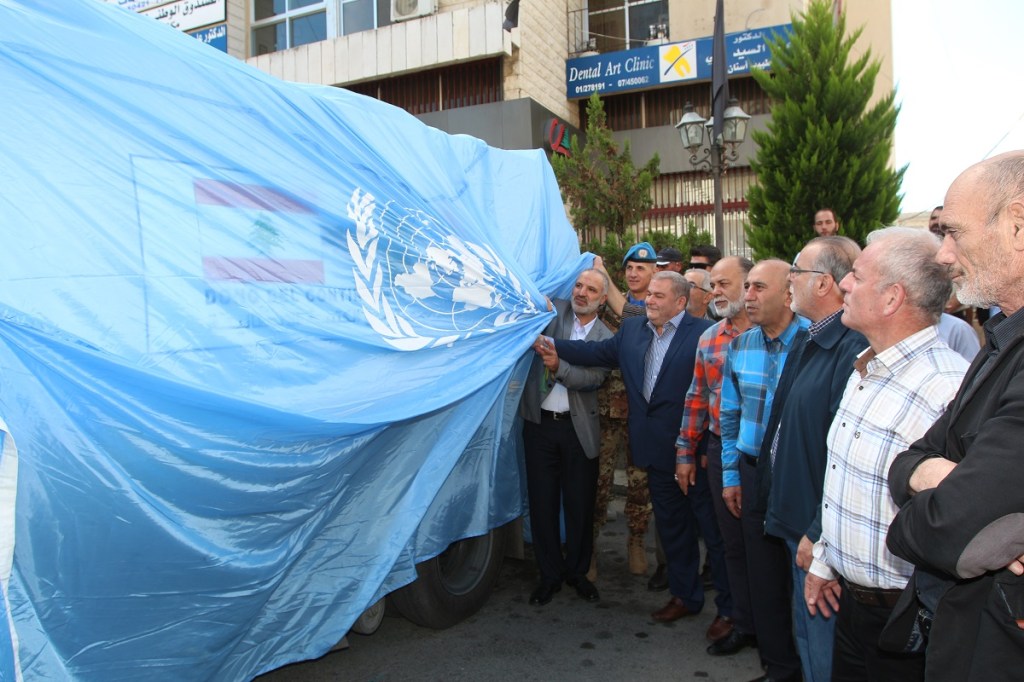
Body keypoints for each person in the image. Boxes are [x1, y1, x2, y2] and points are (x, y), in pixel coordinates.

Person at [799, 228, 968, 681]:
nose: (845, 285)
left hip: (909, 625)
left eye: (855, 275)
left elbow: (964, 518)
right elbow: (843, 480)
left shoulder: (949, 389)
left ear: (892, 298)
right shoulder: (865, 367)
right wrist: (824, 561)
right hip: (851, 609)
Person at [885, 151, 1024, 680]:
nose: (943, 256)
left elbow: (949, 533)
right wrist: (933, 474)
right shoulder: (1001, 340)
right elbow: (907, 461)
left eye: (954, 233)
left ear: (1017, 224)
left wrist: (936, 503)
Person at [536, 272, 715, 625]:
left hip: (695, 453)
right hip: (654, 452)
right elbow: (593, 352)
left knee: (716, 537)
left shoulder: (703, 335)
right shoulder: (633, 331)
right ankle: (685, 596)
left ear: (680, 302)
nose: (649, 300)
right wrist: (548, 343)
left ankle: (734, 613)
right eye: (649, 294)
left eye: (658, 295)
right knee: (673, 530)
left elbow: (715, 394)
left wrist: (707, 447)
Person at [752, 236, 864, 682]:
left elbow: (844, 450)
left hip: (814, 532)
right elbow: (783, 424)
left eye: (796, 272)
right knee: (805, 634)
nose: (789, 282)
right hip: (792, 517)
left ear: (824, 284)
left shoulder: (851, 346)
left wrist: (817, 531)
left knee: (822, 645)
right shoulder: (810, 338)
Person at [719, 258, 807, 682]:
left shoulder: (814, 344)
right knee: (764, 578)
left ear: (788, 294)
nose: (748, 297)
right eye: (747, 287)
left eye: (758, 288)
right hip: (753, 475)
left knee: (805, 578)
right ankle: (778, 669)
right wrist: (732, 476)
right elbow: (730, 416)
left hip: (799, 476)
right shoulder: (741, 346)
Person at [676, 255, 757, 656]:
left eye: (724, 284)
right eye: (714, 285)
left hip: (762, 454)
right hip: (717, 448)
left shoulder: (777, 333)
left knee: (765, 542)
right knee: (726, 542)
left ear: (750, 285)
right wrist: (684, 452)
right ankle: (734, 614)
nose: (716, 292)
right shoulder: (709, 339)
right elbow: (696, 397)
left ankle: (772, 622)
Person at [521, 269, 614, 606]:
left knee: (579, 506)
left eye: (591, 289)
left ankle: (577, 573)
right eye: (578, 285)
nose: (582, 293)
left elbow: (592, 379)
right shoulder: (554, 313)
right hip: (540, 426)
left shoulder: (606, 337)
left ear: (603, 299)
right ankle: (549, 576)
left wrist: (558, 365)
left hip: (578, 432)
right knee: (542, 504)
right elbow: (532, 304)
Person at [590, 243, 658, 579]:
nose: (633, 273)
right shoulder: (606, 303)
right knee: (598, 481)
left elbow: (631, 315)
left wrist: (603, 273)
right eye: (629, 267)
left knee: (639, 482)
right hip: (604, 407)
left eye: (641, 268)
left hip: (639, 410)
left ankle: (635, 540)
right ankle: (589, 548)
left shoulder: (656, 307)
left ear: (654, 273)